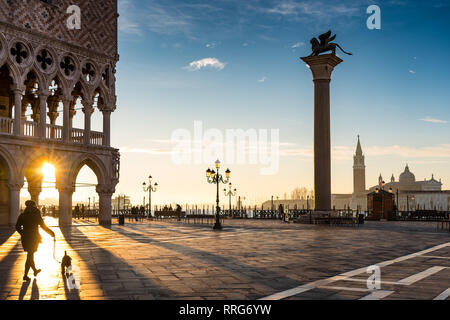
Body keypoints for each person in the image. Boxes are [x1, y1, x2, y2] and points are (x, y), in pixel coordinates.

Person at [16, 200, 55, 282]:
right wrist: (51, 233)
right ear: (33, 206)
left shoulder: (22, 215)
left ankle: (33, 271)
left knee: (30, 255)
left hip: (25, 238)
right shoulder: (36, 214)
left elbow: (17, 227)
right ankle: (27, 274)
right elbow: (43, 226)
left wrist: (23, 233)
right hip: (33, 238)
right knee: (30, 255)